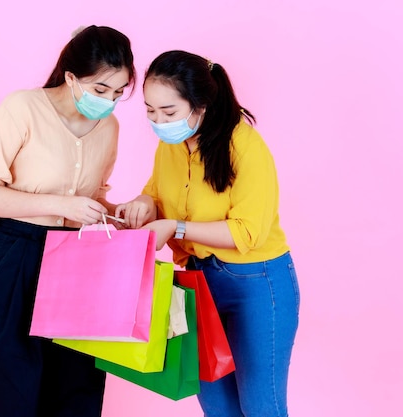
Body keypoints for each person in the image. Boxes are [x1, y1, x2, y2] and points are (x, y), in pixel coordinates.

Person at [0, 25, 135, 417]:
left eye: (118, 92)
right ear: (71, 77)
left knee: (75, 389)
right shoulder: (22, 108)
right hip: (15, 257)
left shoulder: (109, 127)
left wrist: (116, 213)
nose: (109, 101)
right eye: (100, 90)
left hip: (78, 265)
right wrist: (62, 204)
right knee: (4, 388)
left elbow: (93, 197)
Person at [116, 50, 300, 417]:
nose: (158, 121)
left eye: (169, 113)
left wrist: (176, 227)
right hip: (198, 282)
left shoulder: (244, 146)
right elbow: (158, 194)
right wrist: (141, 203)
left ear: (200, 106)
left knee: (262, 405)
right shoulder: (169, 146)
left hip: (256, 282)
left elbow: (248, 232)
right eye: (150, 111)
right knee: (216, 404)